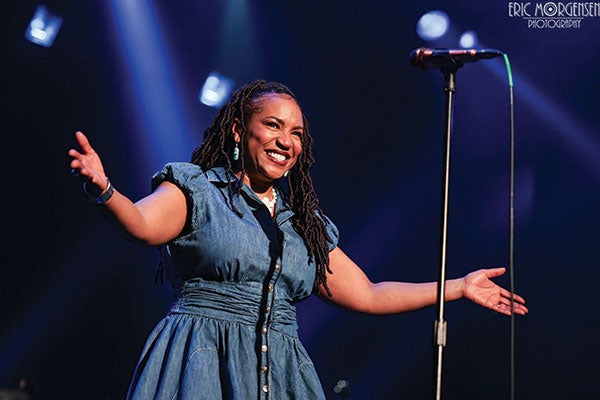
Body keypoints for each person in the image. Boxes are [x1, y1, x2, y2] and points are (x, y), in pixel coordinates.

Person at [68, 80, 528, 400]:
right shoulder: (198, 188)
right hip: (200, 360)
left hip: (280, 372)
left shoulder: (302, 224)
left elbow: (367, 293)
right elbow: (142, 226)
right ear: (237, 130)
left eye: (296, 134)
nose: (285, 140)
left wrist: (459, 286)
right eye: (273, 125)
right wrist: (105, 190)